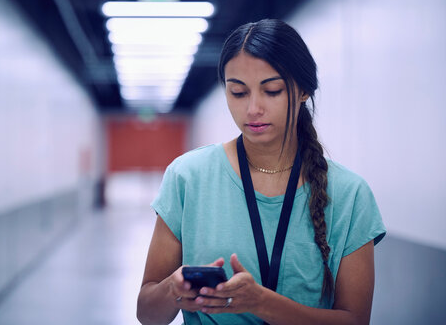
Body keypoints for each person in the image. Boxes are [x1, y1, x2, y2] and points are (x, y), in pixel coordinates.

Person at [136, 19, 386, 325]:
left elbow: (356, 321)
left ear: (304, 90)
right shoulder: (188, 177)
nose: (253, 108)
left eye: (272, 90)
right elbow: (147, 314)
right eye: (238, 93)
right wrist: (172, 290)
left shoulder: (350, 194)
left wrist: (262, 303)